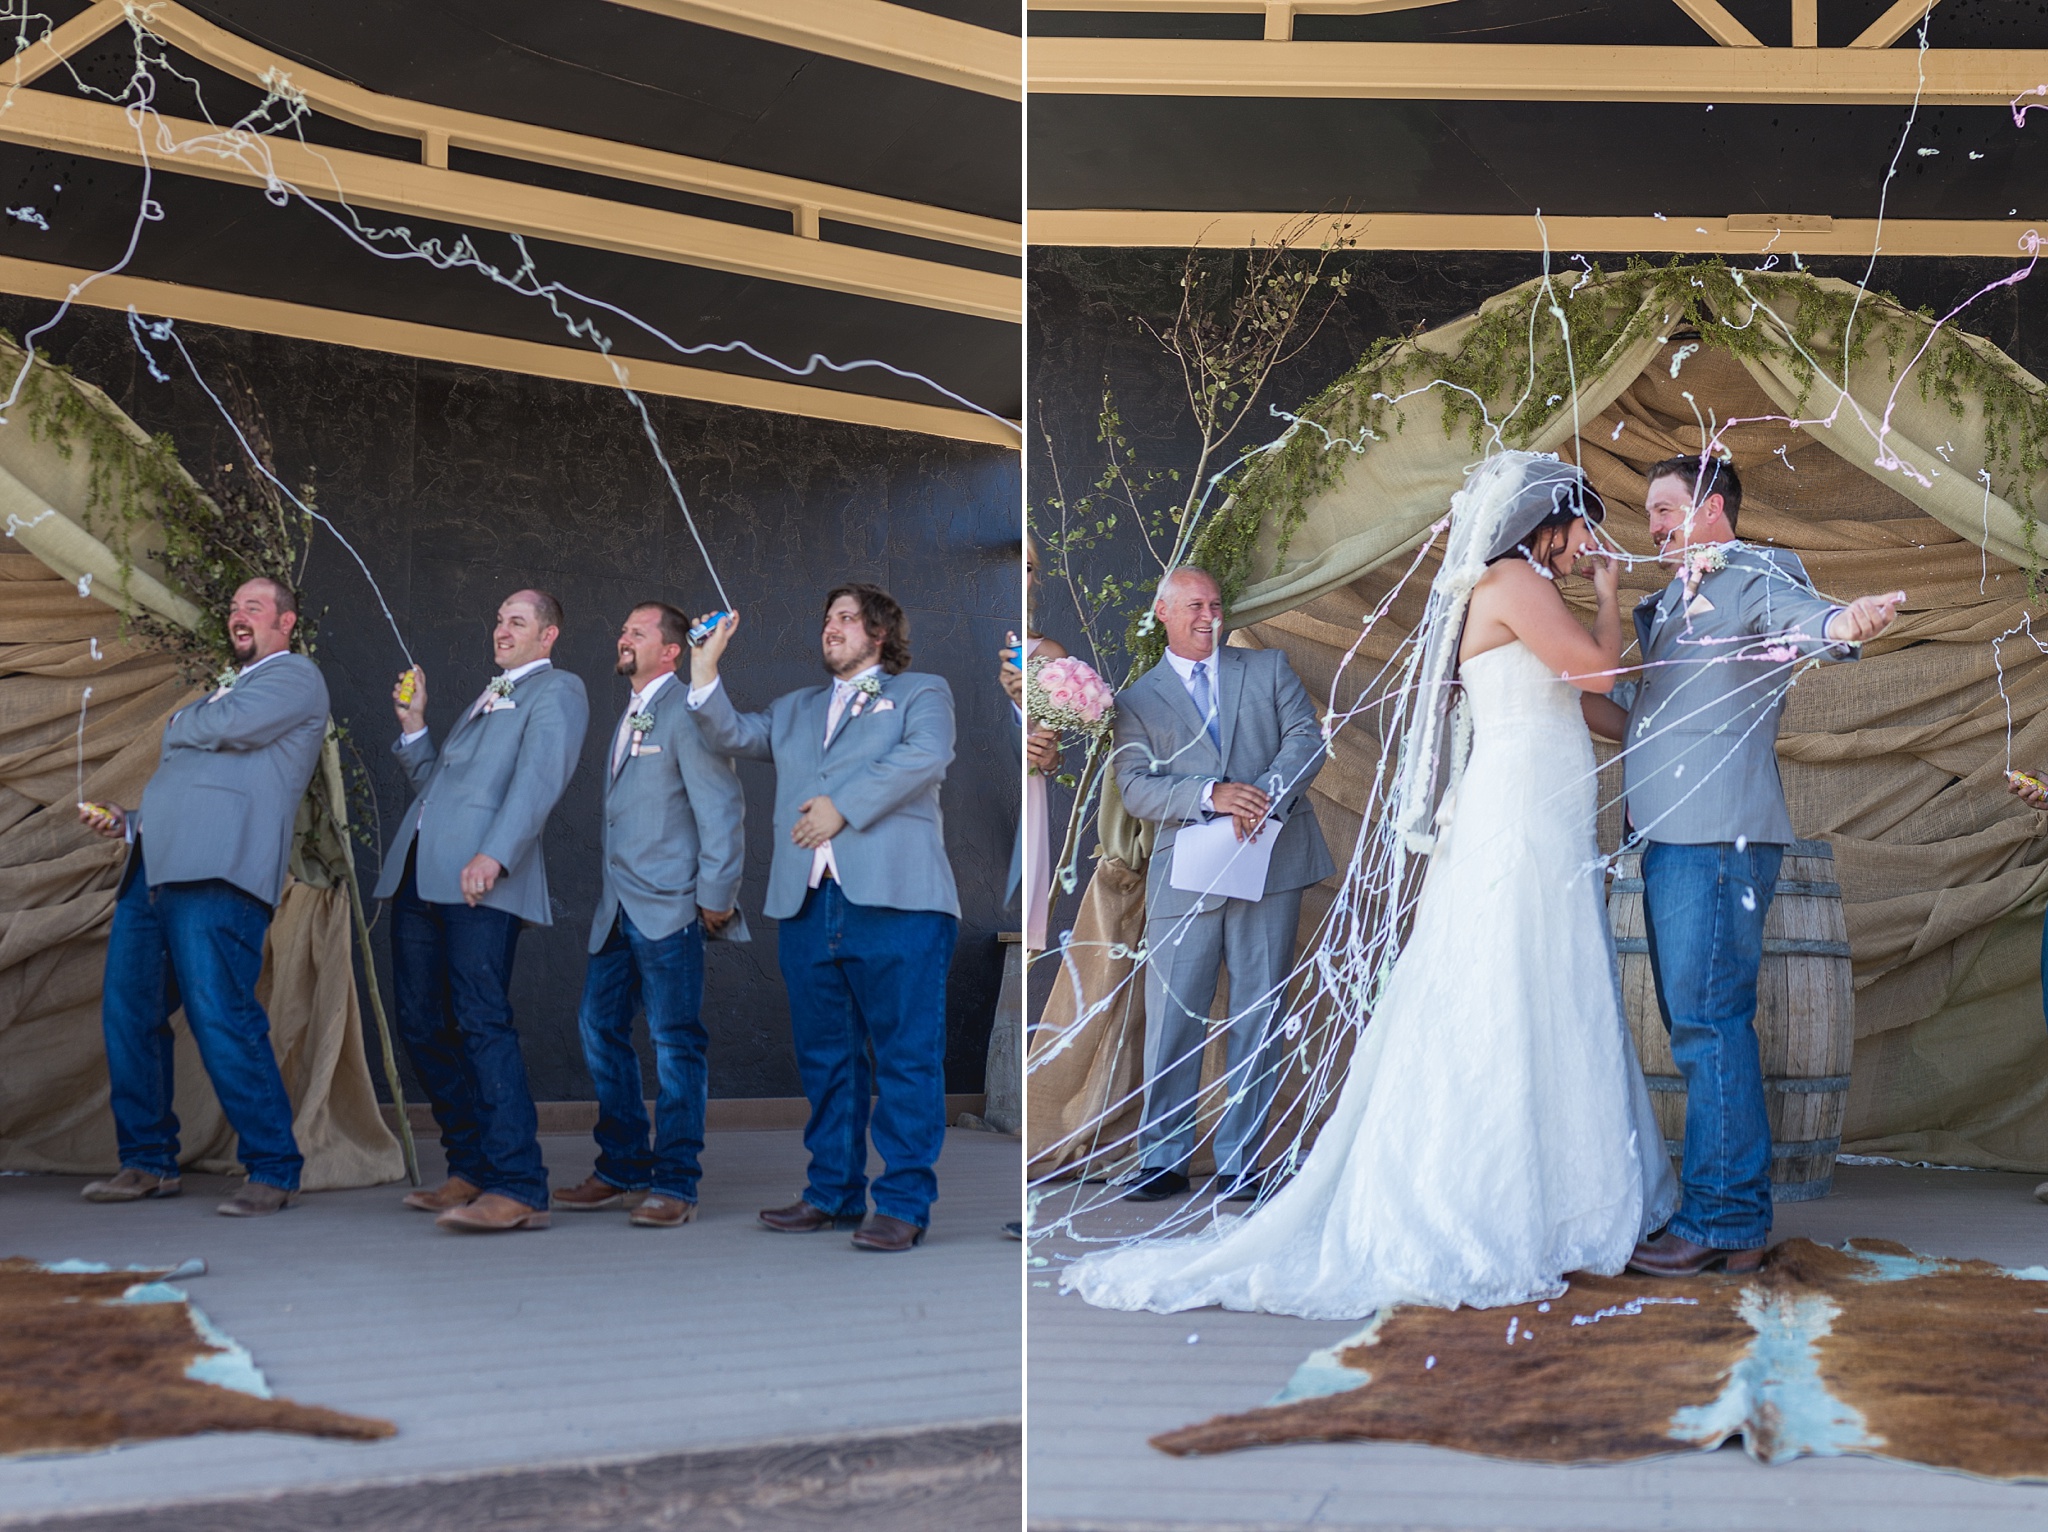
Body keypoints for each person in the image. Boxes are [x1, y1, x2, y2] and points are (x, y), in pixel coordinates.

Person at [1064, 453, 1676, 1320]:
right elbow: (1603, 674)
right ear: (1552, 520)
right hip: (1515, 825)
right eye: (1589, 535)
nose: (1592, 552)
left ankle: (1563, 1185)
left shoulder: (1527, 594)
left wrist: (1668, 724)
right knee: (1508, 988)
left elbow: (1590, 707)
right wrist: (1615, 601)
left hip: (1543, 818)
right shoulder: (1514, 582)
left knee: (1552, 989)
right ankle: (1496, 1195)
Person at [1589, 454, 1902, 1278]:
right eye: (1650, 511)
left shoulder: (1755, 572)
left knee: (1710, 1027)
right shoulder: (1659, 606)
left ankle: (1725, 1223)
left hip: (1720, 837)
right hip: (1665, 838)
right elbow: (1630, 719)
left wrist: (1844, 625)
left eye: (1665, 508)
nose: (1651, 524)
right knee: (1698, 1025)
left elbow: (1805, 621)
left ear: (1714, 507)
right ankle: (1724, 1218)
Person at [687, 584, 958, 1253]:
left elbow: (925, 755)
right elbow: (731, 732)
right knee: (826, 1061)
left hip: (901, 902)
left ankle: (901, 1203)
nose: (830, 627)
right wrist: (703, 667)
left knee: (905, 1059)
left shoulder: (923, 691)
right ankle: (832, 1193)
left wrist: (842, 804)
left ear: (879, 631)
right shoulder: (795, 708)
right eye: (826, 618)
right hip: (808, 905)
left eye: (845, 618)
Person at [79, 577, 329, 1217]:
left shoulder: (293, 676)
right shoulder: (228, 686)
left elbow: (235, 729)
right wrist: (131, 821)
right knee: (128, 1015)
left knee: (221, 1014)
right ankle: (147, 1163)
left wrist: (185, 720)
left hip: (220, 874)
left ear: (285, 622)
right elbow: (195, 778)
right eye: (234, 606)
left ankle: (273, 1168)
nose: (238, 615)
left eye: (254, 606)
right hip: (154, 867)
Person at [1110, 565, 1335, 1206]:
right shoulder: (1135, 701)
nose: (1209, 616)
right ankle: (1162, 1159)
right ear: (1163, 613)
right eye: (1194, 606)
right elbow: (1135, 787)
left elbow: (1306, 739)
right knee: (1174, 1018)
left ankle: (1242, 1159)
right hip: (1185, 876)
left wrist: (1262, 797)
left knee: (1258, 1012)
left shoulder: (1267, 668)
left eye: (1215, 604)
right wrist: (1212, 795)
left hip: (1273, 861)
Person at [372, 589, 589, 1233]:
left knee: (480, 1022)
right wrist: (415, 726)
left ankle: (518, 1182)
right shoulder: (489, 693)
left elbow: (540, 779)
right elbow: (440, 788)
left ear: (548, 635)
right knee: (419, 1021)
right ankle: (467, 1165)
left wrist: (496, 853)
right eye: (497, 618)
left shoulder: (558, 690)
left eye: (517, 620)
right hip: (420, 872)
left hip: (478, 880)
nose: (501, 627)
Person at [551, 602, 745, 1228]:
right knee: (597, 1027)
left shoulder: (688, 712)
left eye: (637, 631)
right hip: (616, 908)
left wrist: (716, 893)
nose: (622, 636)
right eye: (623, 627)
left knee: (675, 1043)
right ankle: (623, 1167)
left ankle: (677, 1183)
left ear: (670, 650)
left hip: (671, 909)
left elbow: (722, 808)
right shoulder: (633, 710)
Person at [1005, 535, 1066, 953]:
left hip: (1025, 791)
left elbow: (1051, 749)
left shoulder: (1049, 653)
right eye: (1013, 564)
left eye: (1028, 567)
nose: (1020, 576)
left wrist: (1049, 756)